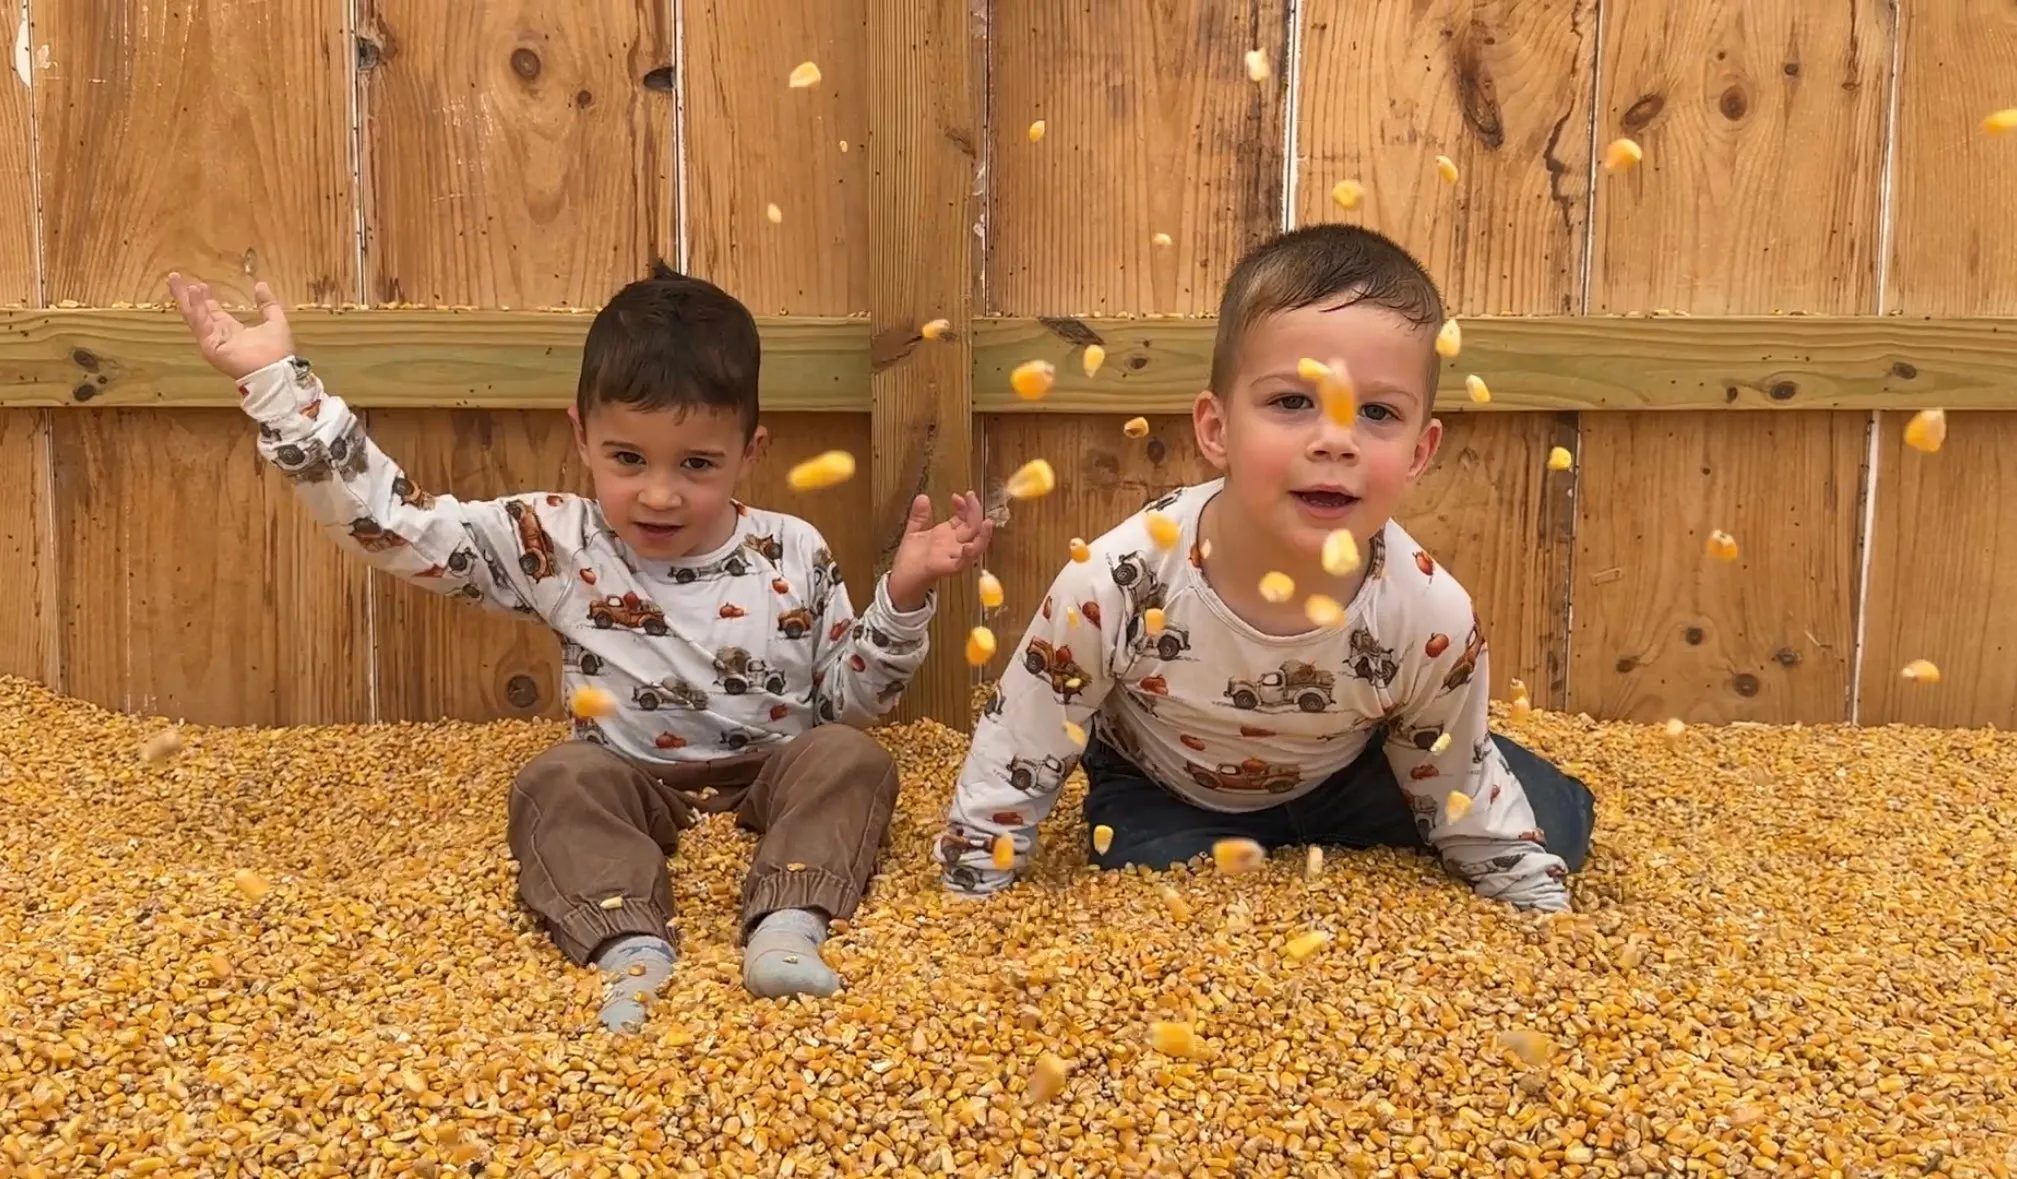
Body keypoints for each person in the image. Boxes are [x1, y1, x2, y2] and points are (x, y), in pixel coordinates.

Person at [167, 263, 992, 1031]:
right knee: (555, 777)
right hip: (625, 776)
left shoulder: (792, 551)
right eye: (628, 458)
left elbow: (848, 701)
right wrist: (278, 384)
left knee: (852, 756)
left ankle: (791, 918)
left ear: (751, 452)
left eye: (697, 464)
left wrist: (905, 594)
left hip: (775, 769)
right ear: (583, 436)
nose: (659, 493)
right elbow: (399, 527)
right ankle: (624, 940)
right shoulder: (558, 539)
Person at [935, 224, 1593, 909]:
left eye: (1376, 412)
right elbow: (1027, 732)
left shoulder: (1429, 612)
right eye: (1292, 402)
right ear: (1217, 429)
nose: (1335, 439)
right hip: (1169, 781)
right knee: (1141, 867)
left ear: (1420, 452)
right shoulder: (1118, 579)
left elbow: (1454, 779)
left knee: (1546, 830)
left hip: (1348, 769)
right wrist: (972, 881)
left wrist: (1536, 903)